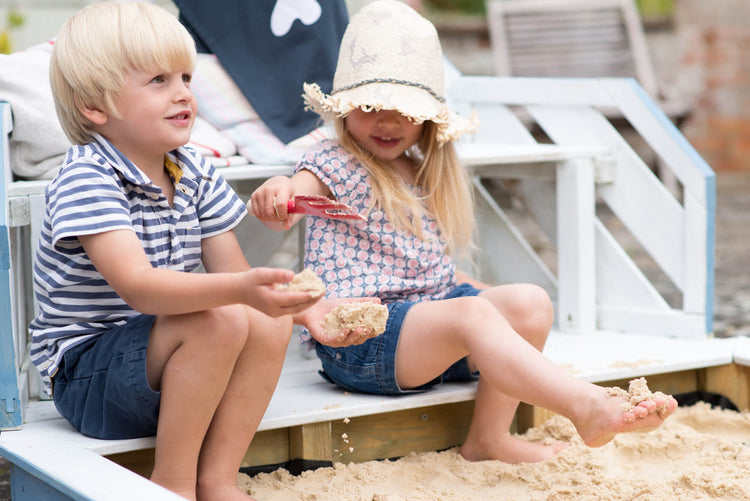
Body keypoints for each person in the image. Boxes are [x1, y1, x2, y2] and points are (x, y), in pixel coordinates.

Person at [250, 0, 678, 465]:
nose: (388, 122)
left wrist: (505, 320)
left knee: (529, 302)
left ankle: (488, 439)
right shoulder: (335, 163)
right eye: (372, 106)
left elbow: (437, 279)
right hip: (362, 343)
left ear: (429, 119)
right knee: (473, 314)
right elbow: (293, 192)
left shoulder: (422, 174)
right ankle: (586, 405)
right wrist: (277, 192)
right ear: (346, 107)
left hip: (426, 333)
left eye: (405, 111)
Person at [29, 3, 376, 501]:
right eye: (158, 81)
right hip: (91, 382)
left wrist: (305, 310)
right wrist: (240, 291)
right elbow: (141, 287)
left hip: (173, 372)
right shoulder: (88, 176)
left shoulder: (191, 169)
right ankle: (173, 484)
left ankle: (216, 480)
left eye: (186, 77)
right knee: (219, 318)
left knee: (259, 319)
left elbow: (236, 278)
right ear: (94, 106)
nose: (183, 94)